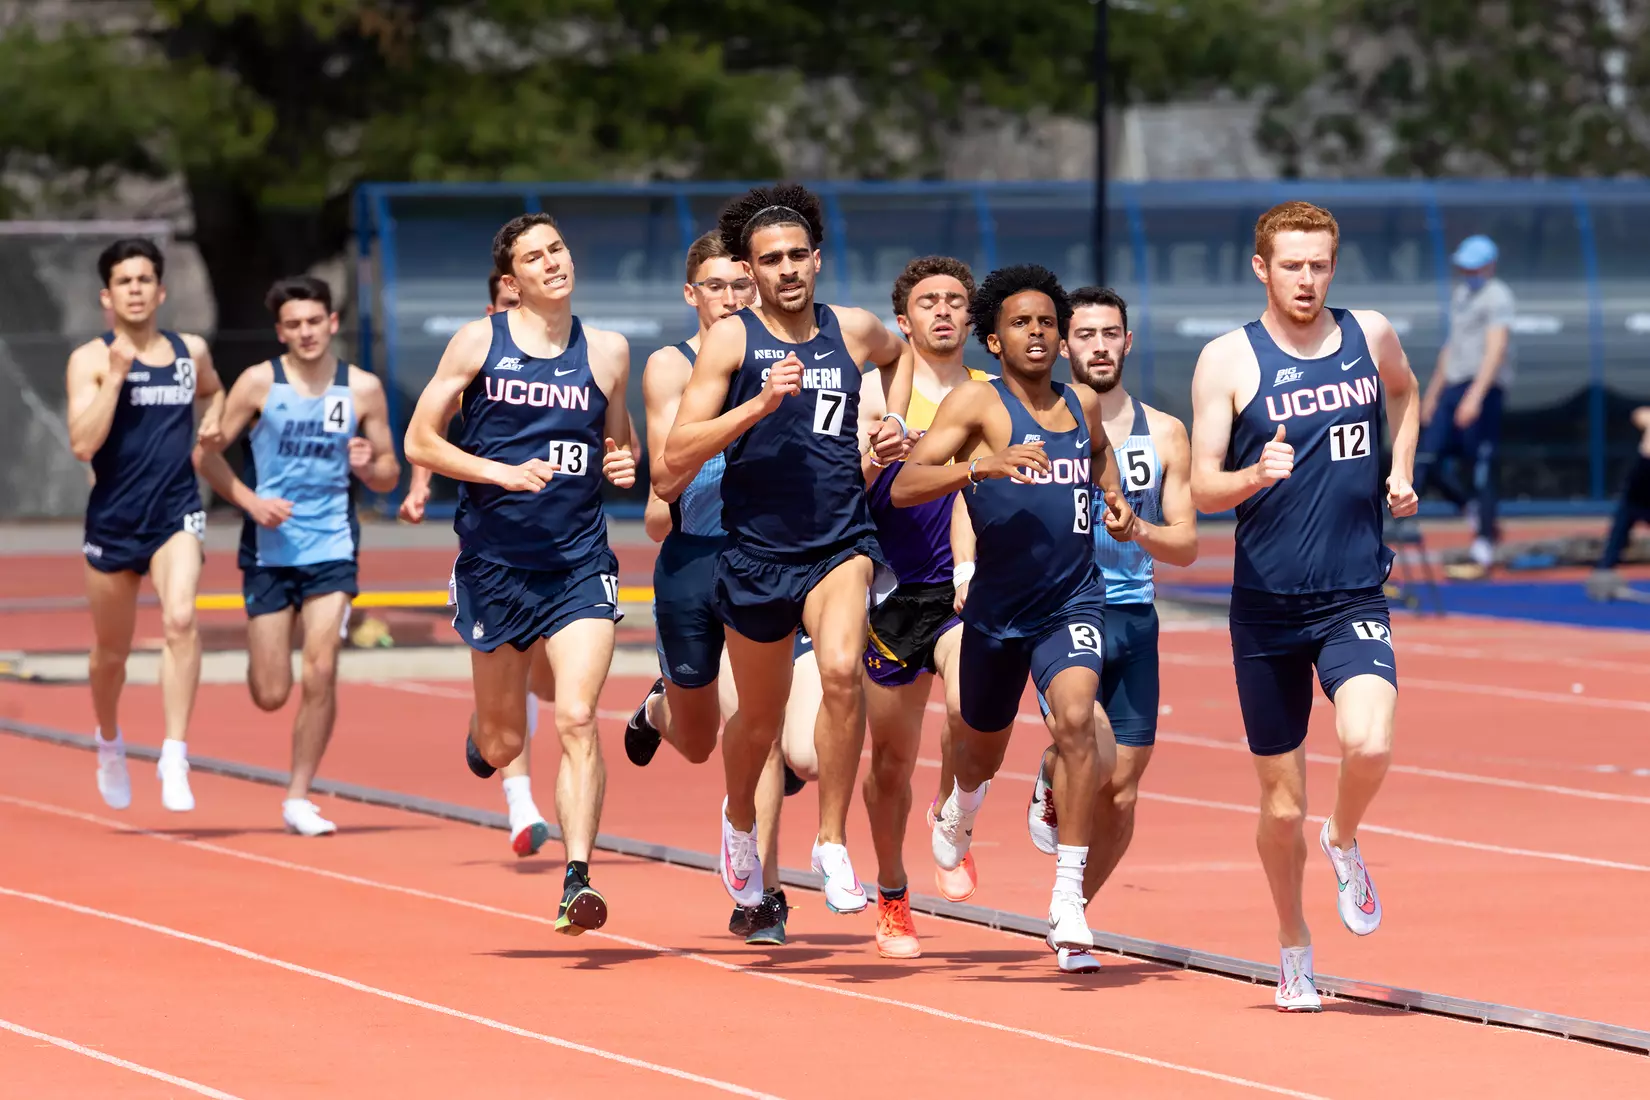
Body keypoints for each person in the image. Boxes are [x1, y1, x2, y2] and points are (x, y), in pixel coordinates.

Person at [1187, 200, 1419, 1010]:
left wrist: (1401, 467)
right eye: (1292, 264)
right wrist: (1254, 476)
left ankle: (1346, 837)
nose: (1308, 279)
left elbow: (1407, 393)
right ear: (1262, 267)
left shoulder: (1370, 333)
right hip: (1267, 609)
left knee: (1371, 741)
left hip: (1353, 591)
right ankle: (1293, 944)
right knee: (1280, 806)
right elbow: (1202, 485)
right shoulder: (1227, 360)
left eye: (1320, 264)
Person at [664, 183, 911, 915]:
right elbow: (674, 456)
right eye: (771, 260)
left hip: (841, 541)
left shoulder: (855, 329)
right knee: (760, 723)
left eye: (798, 255)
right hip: (756, 554)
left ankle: (830, 842)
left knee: (841, 671)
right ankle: (741, 819)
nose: (787, 270)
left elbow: (899, 360)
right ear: (752, 270)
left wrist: (890, 424)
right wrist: (758, 405)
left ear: (819, 260)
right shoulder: (733, 341)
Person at [891, 263, 1138, 960]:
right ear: (993, 341)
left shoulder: (1083, 404)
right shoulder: (977, 406)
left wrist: (1116, 504)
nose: (1036, 333)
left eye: (1046, 323)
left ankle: (1066, 899)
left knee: (1077, 719)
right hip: (997, 609)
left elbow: (1098, 460)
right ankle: (963, 806)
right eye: (1020, 323)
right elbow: (907, 484)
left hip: (1072, 599)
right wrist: (980, 469)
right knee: (980, 746)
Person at [404, 212, 638, 936]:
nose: (552, 264)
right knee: (505, 743)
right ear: (513, 280)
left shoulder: (608, 351)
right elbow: (421, 440)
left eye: (558, 249)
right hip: (495, 566)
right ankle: (487, 736)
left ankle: (576, 880)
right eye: (535, 258)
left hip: (578, 564)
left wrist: (622, 463)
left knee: (575, 718)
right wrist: (499, 473)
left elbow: (617, 442)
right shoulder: (480, 343)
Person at [626, 229, 805, 944]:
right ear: (691, 294)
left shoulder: (789, 356)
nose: (732, 297)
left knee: (756, 729)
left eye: (741, 284)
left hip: (762, 556)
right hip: (692, 557)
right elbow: (665, 478)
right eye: (717, 286)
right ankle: (659, 709)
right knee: (700, 741)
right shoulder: (671, 367)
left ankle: (763, 891)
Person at [1024, 286, 1198, 973]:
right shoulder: (1040, 422)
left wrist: (1139, 529)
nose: (1099, 345)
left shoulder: (1167, 433)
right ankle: (1049, 773)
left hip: (1137, 617)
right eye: (1085, 334)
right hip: (1068, 608)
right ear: (1065, 346)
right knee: (1086, 745)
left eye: (1111, 333)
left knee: (1122, 792)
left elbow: (1185, 544)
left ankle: (1072, 916)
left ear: (1129, 342)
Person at [196, 276, 400, 835]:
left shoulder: (362, 389)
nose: (306, 332)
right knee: (271, 692)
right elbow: (206, 457)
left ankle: (298, 796)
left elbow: (387, 473)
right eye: (294, 324)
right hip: (268, 547)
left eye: (315, 321)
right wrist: (249, 501)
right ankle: (265, 654)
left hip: (332, 543)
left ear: (332, 323)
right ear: (280, 331)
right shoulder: (259, 384)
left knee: (322, 668)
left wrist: (367, 465)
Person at [854, 256, 993, 959]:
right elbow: (843, 484)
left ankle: (951, 813)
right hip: (891, 592)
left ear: (972, 317)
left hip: (964, 587)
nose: (944, 311)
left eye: (956, 301)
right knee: (887, 765)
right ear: (903, 321)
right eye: (928, 302)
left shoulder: (994, 394)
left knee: (974, 705)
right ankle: (892, 891)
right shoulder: (876, 393)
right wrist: (878, 453)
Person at [399, 272, 555, 858]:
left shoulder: (570, 358)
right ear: (496, 305)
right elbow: (429, 431)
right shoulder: (478, 357)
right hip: (494, 547)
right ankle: (521, 802)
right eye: (513, 303)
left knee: (545, 684)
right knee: (517, 675)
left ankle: (488, 728)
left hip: (563, 545)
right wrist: (419, 488)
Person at [66, 237, 225, 813]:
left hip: (175, 511)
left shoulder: (191, 350)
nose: (135, 290)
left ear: (160, 290)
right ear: (107, 296)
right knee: (111, 652)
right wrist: (115, 377)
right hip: (113, 519)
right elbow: (83, 444)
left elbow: (212, 393)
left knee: (181, 618)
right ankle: (109, 741)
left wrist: (212, 428)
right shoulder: (90, 358)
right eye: (123, 282)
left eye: (143, 280)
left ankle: (174, 753)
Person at [1414, 234, 1514, 570]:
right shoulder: (1460, 294)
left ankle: (1484, 540)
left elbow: (1496, 349)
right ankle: (1466, 505)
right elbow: (1451, 347)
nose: (1467, 272)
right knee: (1427, 455)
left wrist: (1475, 396)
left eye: (1474, 266)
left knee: (1481, 465)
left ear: (1489, 265)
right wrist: (1432, 395)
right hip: (1453, 386)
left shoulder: (1497, 296)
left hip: (1482, 389)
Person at [1588, 406, 1650, 601]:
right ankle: (1605, 568)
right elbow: (1640, 415)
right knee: (1623, 521)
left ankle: (1606, 566)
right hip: (1639, 486)